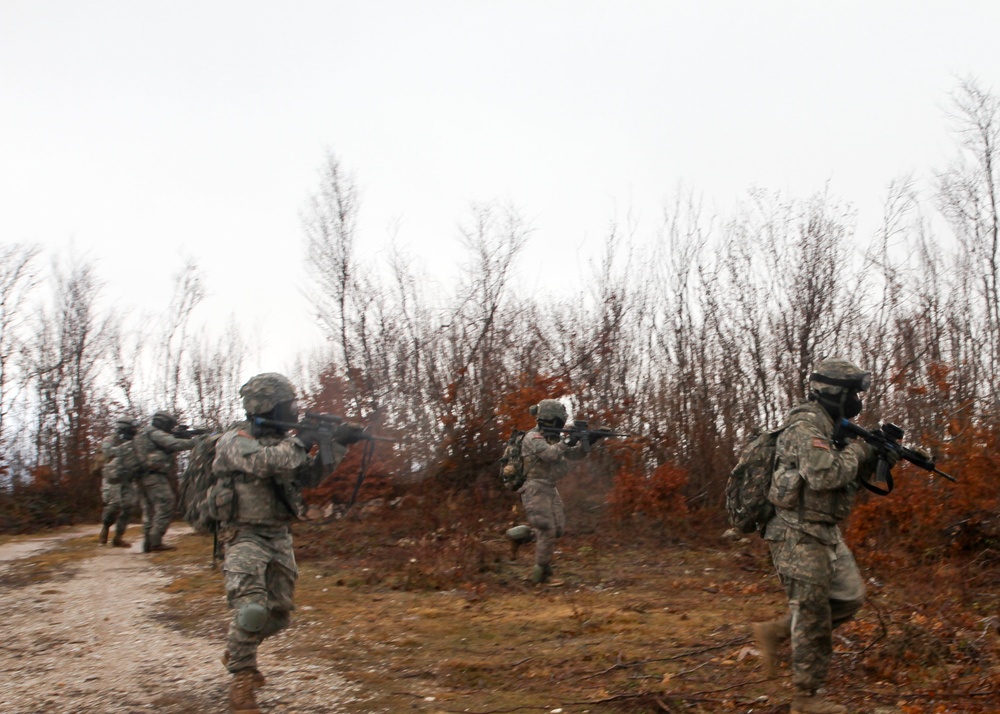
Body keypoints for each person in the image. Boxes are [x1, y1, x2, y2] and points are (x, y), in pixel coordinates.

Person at [214, 372, 365, 714]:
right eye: (287, 405)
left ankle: (238, 647)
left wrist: (339, 442)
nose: (293, 411)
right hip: (244, 533)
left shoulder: (284, 442)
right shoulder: (234, 439)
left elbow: (309, 476)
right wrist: (304, 439)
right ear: (266, 405)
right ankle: (243, 679)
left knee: (279, 615)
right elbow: (267, 462)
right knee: (252, 608)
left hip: (279, 534)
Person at [753, 358, 897, 714]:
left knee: (849, 597)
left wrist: (877, 456)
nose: (857, 401)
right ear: (836, 392)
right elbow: (823, 475)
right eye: (853, 393)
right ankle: (806, 697)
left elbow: (842, 476)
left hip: (823, 529)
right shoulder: (805, 424)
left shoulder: (833, 425)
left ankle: (776, 631)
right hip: (795, 531)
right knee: (813, 612)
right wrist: (861, 451)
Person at [504, 399, 607, 584]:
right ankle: (541, 575)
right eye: (559, 420)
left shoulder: (555, 438)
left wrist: (590, 440)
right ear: (549, 419)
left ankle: (517, 535)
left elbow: (574, 455)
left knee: (557, 529)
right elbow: (549, 454)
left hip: (550, 487)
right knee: (546, 528)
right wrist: (569, 440)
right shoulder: (532, 437)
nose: (561, 424)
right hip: (534, 486)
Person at [133, 410, 196, 552]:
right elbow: (173, 443)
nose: (170, 428)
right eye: (169, 425)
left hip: (141, 477)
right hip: (154, 476)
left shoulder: (142, 433)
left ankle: (148, 543)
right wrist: (198, 441)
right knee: (166, 503)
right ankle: (155, 542)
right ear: (163, 423)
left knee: (149, 510)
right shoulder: (154, 433)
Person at [97, 417, 142, 547]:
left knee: (129, 506)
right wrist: (127, 446)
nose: (135, 430)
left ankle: (118, 537)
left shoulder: (135, 440)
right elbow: (108, 453)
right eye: (132, 428)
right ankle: (105, 527)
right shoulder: (109, 440)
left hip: (128, 477)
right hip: (113, 477)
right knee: (114, 505)